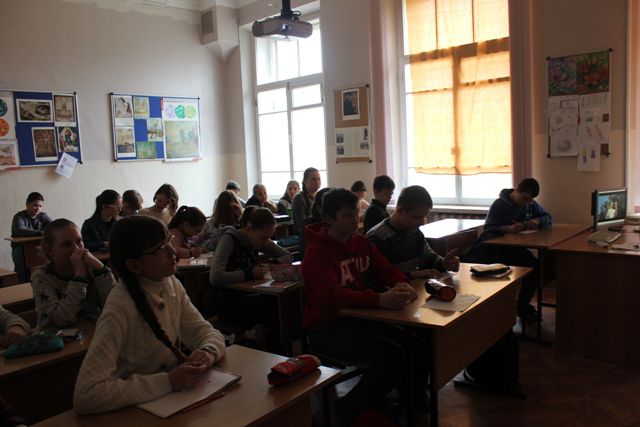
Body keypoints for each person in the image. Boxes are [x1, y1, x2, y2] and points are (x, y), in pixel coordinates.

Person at [73, 216, 225, 414]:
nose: (173, 251)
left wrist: (208, 352)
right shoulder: (119, 307)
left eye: (169, 241)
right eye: (160, 248)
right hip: (130, 413)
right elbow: (86, 394)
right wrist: (167, 381)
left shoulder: (170, 283)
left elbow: (206, 332)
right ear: (134, 265)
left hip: (169, 405)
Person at [303, 188, 429, 421]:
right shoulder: (316, 253)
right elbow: (333, 298)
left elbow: (386, 270)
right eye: (347, 215)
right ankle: (349, 407)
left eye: (356, 213)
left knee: (416, 344)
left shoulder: (360, 242)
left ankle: (408, 400)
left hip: (358, 317)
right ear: (329, 219)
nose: (355, 220)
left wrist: (402, 284)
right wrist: (379, 299)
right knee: (392, 356)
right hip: (327, 326)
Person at [465, 177, 553, 319]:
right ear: (517, 190)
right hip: (495, 251)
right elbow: (488, 229)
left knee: (536, 267)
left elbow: (547, 217)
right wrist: (508, 229)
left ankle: (522, 305)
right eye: (525, 199)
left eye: (530, 200)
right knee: (533, 266)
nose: (527, 203)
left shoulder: (530, 203)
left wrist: (537, 220)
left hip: (513, 248)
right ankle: (517, 307)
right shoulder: (499, 205)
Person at [209, 208, 293, 326]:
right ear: (249, 228)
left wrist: (272, 265)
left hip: (248, 294)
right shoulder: (229, 239)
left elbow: (288, 256)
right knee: (272, 303)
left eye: (269, 237)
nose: (266, 242)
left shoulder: (258, 238)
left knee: (283, 299)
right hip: (229, 302)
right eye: (263, 238)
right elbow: (215, 277)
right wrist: (250, 274)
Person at [31, 219, 115, 329]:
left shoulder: (93, 270)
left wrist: (101, 269)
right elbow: (62, 320)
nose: (76, 248)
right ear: (49, 251)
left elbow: (114, 306)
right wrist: (79, 276)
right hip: (55, 336)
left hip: (90, 332)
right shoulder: (41, 278)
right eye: (66, 244)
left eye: (79, 241)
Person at [367, 185, 460, 278]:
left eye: (423, 217)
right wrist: (416, 274)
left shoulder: (413, 231)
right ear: (401, 210)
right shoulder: (377, 238)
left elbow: (428, 256)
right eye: (417, 217)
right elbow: (378, 278)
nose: (422, 223)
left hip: (412, 285)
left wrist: (443, 263)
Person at [11, 192, 53, 283]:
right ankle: (23, 285)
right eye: (35, 205)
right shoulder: (19, 217)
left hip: (38, 247)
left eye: (40, 206)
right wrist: (41, 232)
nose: (38, 208)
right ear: (27, 204)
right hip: (21, 248)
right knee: (23, 274)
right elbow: (20, 231)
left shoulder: (43, 216)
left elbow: (53, 227)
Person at [292, 167, 321, 235]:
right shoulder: (299, 198)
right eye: (313, 179)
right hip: (304, 235)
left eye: (319, 179)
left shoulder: (319, 196)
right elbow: (302, 224)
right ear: (305, 181)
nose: (317, 182)